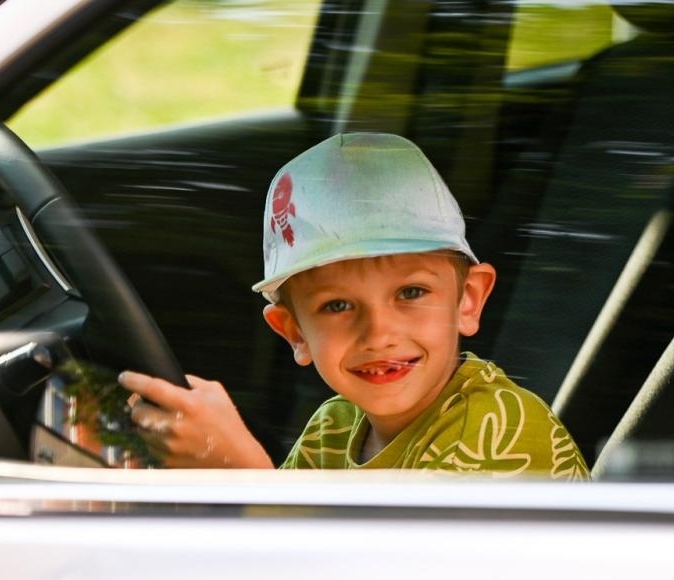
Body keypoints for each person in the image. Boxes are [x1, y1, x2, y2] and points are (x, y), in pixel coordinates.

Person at [119, 132, 587, 477]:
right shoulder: (337, 426)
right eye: (338, 306)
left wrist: (238, 472)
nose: (379, 333)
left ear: (468, 300)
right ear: (294, 331)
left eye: (411, 293)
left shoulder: (500, 429)